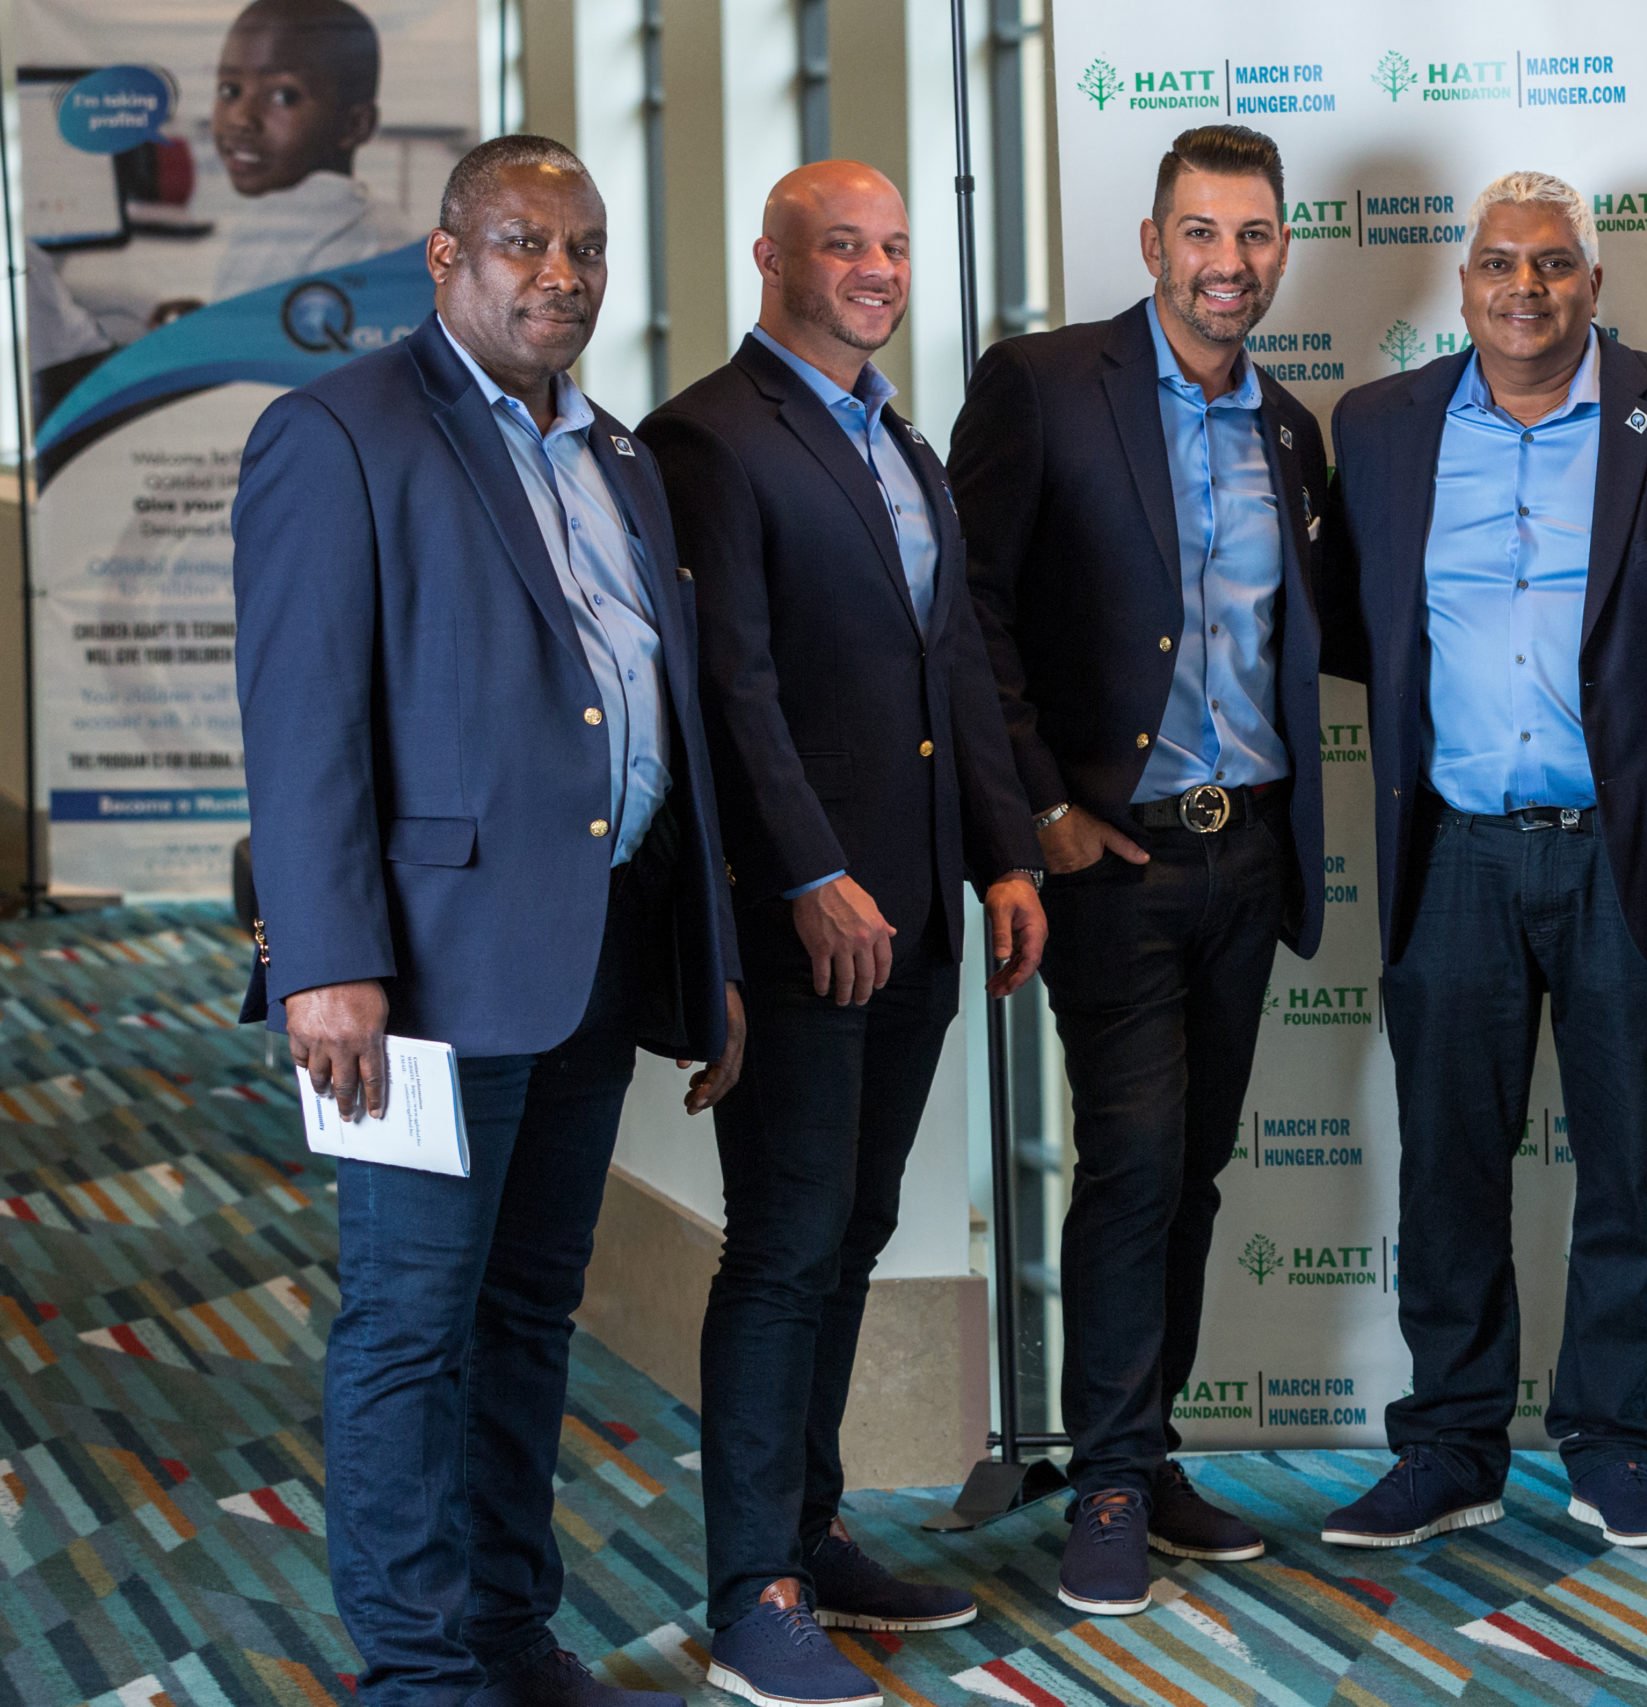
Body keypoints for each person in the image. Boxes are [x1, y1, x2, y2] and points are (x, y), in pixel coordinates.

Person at [232, 135, 743, 1707]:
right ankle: (418, 1666)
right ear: (446, 255)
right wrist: (326, 958)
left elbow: (660, 713)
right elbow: (302, 717)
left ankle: (511, 1632)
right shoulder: (341, 430)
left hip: (593, 951)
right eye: (526, 242)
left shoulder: (618, 451)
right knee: (412, 1324)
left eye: (585, 247)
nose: (562, 274)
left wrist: (708, 956)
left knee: (528, 1311)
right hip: (424, 976)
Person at [640, 160, 1046, 1707]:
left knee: (853, 1229)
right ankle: (755, 1588)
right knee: (784, 1244)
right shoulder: (710, 437)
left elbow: (954, 669)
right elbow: (728, 685)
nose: (877, 268)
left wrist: (1006, 859)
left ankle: (811, 1532)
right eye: (843, 245)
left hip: (918, 910)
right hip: (804, 922)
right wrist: (809, 872)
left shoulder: (899, 438)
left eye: (894, 246)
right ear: (773, 257)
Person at [1317, 171, 1647, 1552]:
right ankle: (1450, 1444)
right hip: (1452, 852)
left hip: (1628, 856)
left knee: (1628, 1166)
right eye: (1499, 263)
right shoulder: (1380, 426)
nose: (1525, 287)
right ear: (1463, 285)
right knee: (1447, 1167)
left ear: (1594, 283)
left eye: (1553, 263)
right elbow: (1354, 629)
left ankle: (1612, 1445)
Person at [949, 123, 1330, 1617]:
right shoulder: (1045, 385)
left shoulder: (1287, 427)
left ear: (1280, 247)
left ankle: (1146, 1450)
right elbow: (967, 610)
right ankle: (1106, 1479)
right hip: (1114, 859)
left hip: (1249, 855)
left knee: (1193, 1173)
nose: (1229, 262)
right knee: (1131, 1163)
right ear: (1154, 241)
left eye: (1254, 234)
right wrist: (1035, 807)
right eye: (1202, 232)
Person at [209, 0, 415, 300]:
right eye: (230, 90)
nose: (241, 118)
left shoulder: (309, 232)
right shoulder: (379, 222)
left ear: (354, 124)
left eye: (284, 96)